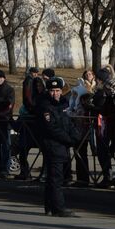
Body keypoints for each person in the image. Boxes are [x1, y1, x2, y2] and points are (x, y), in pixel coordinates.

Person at [36, 76, 77, 217]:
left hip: (62, 145)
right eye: (52, 90)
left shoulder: (63, 104)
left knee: (52, 177)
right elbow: (51, 128)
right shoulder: (44, 105)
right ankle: (59, 208)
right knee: (56, 178)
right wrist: (68, 139)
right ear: (48, 91)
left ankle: (49, 206)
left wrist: (76, 135)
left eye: (58, 90)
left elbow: (68, 122)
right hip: (52, 144)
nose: (55, 93)